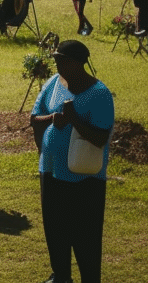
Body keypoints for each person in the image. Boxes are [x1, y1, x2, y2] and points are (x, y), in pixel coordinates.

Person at [30, 39, 113, 283]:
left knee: (85, 234)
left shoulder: (99, 94)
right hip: (51, 169)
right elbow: (35, 118)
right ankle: (61, 276)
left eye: (61, 60)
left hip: (85, 178)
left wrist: (74, 118)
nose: (57, 64)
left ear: (78, 63)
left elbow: (100, 138)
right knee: (54, 229)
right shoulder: (53, 84)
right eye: (55, 59)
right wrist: (54, 118)